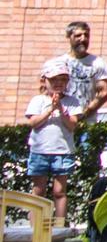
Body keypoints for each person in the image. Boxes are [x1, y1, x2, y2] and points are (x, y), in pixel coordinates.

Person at [22, 60, 81, 221]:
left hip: (62, 151)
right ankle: (34, 227)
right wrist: (50, 110)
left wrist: (61, 110)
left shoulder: (72, 102)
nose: (58, 83)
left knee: (59, 192)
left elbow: (72, 125)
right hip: (40, 151)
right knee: (39, 191)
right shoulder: (38, 100)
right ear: (44, 81)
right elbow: (33, 123)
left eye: (62, 80)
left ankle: (60, 227)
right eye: (54, 80)